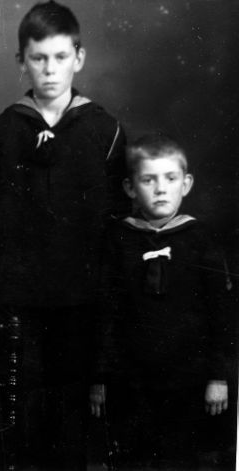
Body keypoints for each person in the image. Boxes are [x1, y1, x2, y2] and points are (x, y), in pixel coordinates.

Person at [0, 1, 127, 468]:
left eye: (60, 57)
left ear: (78, 58)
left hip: (82, 299)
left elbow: (117, 224)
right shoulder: (3, 131)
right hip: (20, 301)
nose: (49, 69)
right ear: (21, 60)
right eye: (38, 58)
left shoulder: (104, 129)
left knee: (73, 411)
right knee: (24, 410)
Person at [94, 134, 233, 468]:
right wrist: (100, 378)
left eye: (170, 179)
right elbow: (105, 313)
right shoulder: (119, 238)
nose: (160, 189)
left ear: (186, 184)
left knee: (181, 457)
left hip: (188, 377)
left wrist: (218, 377)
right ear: (130, 188)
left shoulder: (200, 239)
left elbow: (222, 314)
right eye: (149, 180)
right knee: (132, 457)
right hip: (132, 378)